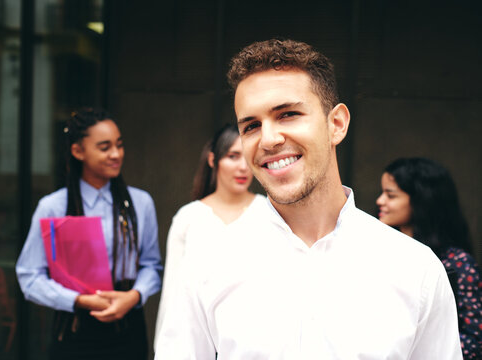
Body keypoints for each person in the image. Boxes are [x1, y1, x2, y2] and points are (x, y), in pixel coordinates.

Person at [154, 39, 462, 359]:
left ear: (336, 124)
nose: (269, 139)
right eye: (251, 126)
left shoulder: (416, 269)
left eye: (287, 114)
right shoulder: (208, 263)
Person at [16, 108, 162, 359]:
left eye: (119, 145)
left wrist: (134, 296)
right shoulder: (53, 207)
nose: (116, 154)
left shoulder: (140, 203)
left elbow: (152, 266)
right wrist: (79, 300)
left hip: (128, 327)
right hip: (74, 328)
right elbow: (29, 277)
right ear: (78, 151)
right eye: (105, 148)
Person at [154, 124, 266, 349]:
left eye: (248, 157)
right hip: (196, 341)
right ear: (213, 160)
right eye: (233, 156)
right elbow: (173, 290)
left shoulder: (269, 213)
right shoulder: (189, 217)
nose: (243, 167)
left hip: (254, 341)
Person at [377, 157, 482, 359]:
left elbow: (473, 341)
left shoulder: (458, 264)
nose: (380, 201)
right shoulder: (378, 251)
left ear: (421, 200)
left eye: (391, 195)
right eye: (382, 193)